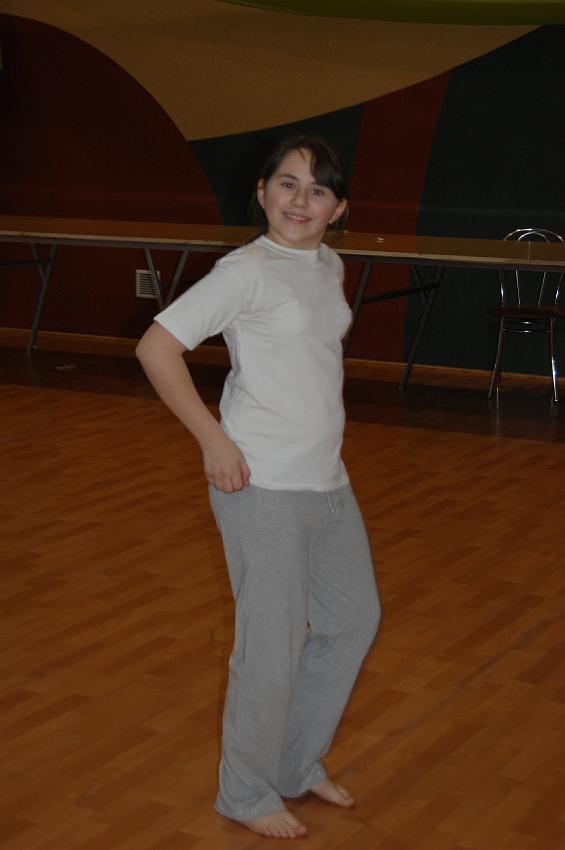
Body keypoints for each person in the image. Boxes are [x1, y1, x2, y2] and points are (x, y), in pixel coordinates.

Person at [136, 136, 381, 839]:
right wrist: (214, 440)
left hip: (326, 480)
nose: (300, 200)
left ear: (338, 209)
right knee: (270, 646)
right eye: (288, 183)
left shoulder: (327, 264)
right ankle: (243, 791)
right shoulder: (244, 271)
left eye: (318, 189)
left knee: (350, 620)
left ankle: (296, 762)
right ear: (262, 192)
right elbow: (156, 348)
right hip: (262, 484)